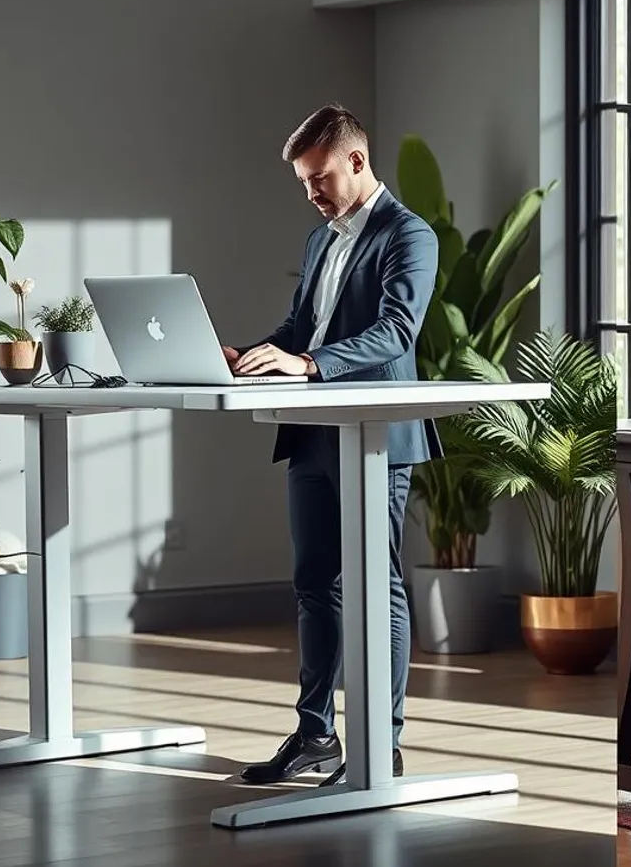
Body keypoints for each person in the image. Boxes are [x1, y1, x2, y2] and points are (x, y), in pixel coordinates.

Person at [225, 103, 439, 784]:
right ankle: (315, 736)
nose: (312, 193)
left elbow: (395, 330)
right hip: (313, 431)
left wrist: (310, 365)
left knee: (379, 584)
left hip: (375, 431)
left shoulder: (409, 234)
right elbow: (301, 326)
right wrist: (254, 354)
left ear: (356, 160)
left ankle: (385, 739)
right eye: (302, 183)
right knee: (315, 584)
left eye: (319, 177)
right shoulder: (320, 240)